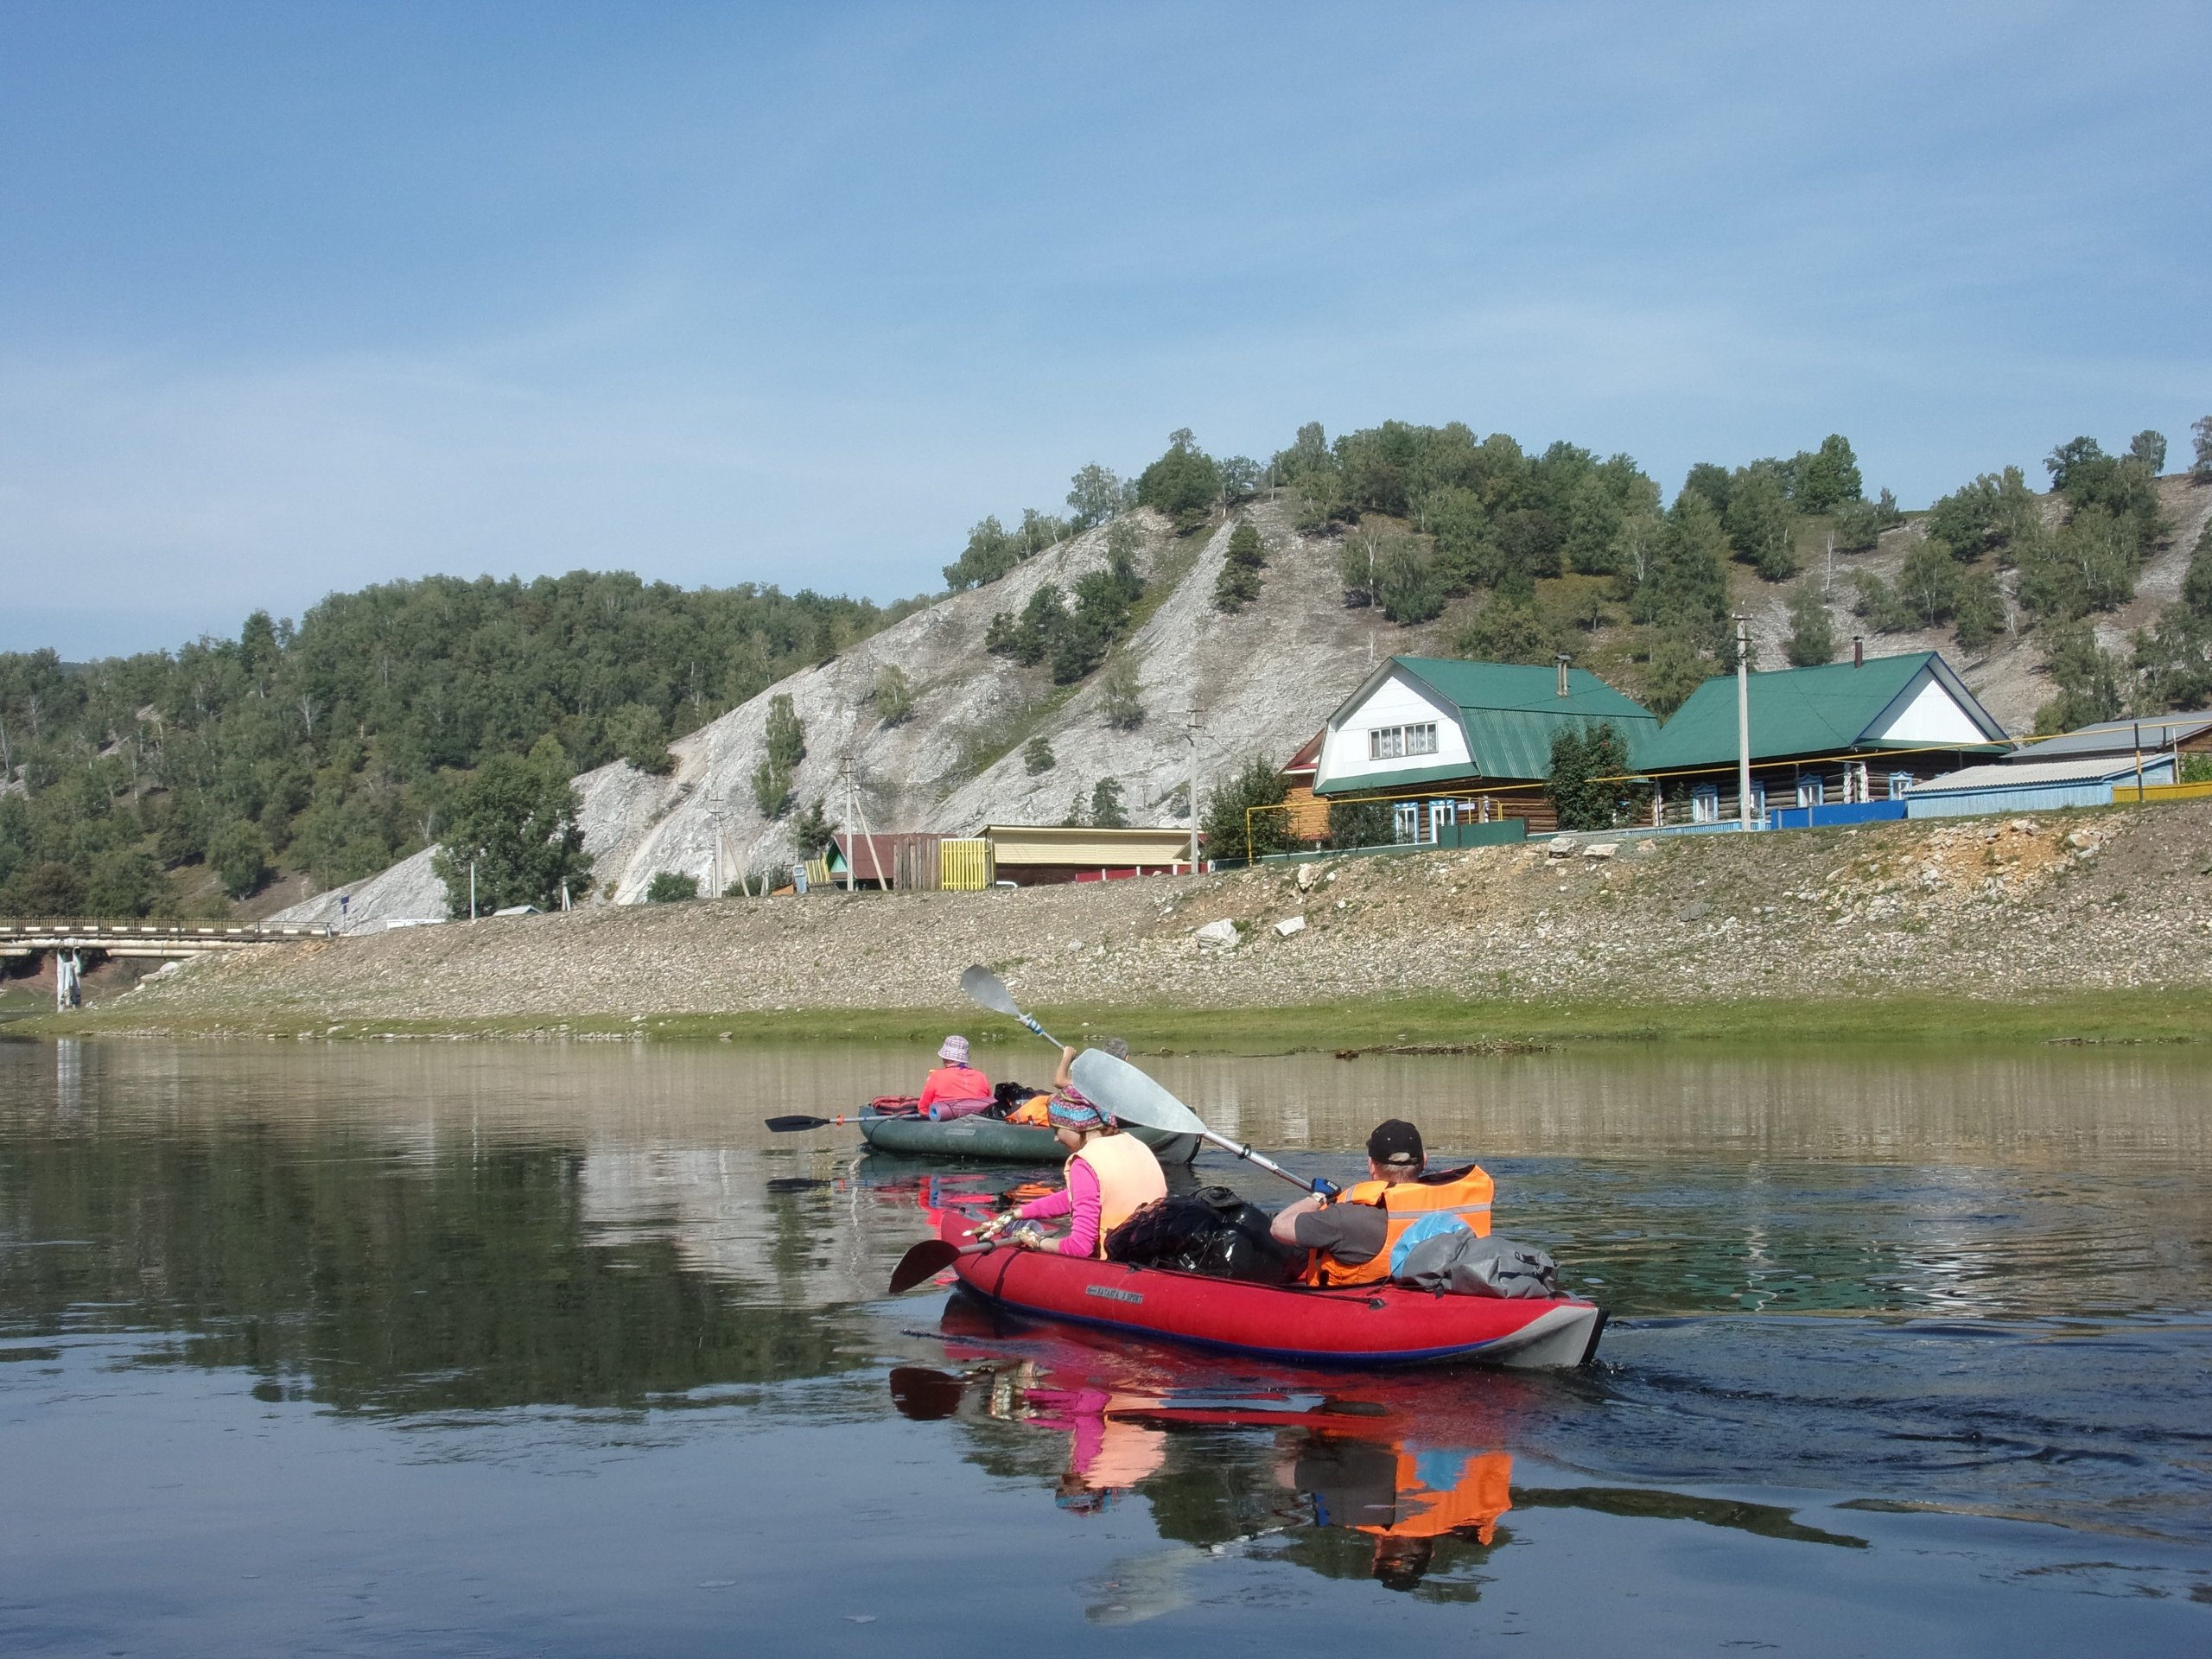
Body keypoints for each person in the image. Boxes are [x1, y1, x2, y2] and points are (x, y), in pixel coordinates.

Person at [978, 1046, 1166, 1257]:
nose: (1056, 1138)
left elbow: (1079, 1247)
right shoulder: (1134, 1144)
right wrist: (1015, 1214)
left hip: (1115, 1259)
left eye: (1058, 1129)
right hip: (1151, 1251)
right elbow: (1079, 1197)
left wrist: (1036, 1241)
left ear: (1076, 1125)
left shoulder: (1086, 1163)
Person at [1268, 1120, 1493, 1287]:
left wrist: (1318, 1198)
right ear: (1424, 1161)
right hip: (1431, 1294)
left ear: (1371, 1166)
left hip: (1358, 1309)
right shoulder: (1452, 1204)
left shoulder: (1346, 1218)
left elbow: (1279, 1228)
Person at [918, 1035, 994, 1120]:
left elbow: (923, 1109)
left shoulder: (936, 1076)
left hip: (944, 1120)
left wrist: (929, 1081)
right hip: (980, 1121)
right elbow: (989, 1104)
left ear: (945, 1057)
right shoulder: (981, 1076)